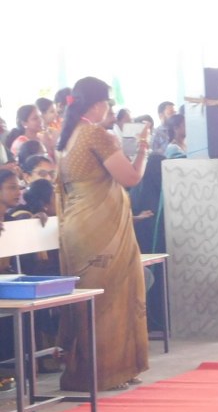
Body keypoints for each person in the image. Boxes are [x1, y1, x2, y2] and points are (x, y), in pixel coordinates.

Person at [54, 76, 150, 391]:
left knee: (89, 300)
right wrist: (143, 149)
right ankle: (108, 371)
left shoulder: (67, 136)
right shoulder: (96, 134)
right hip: (100, 227)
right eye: (108, 102)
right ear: (97, 104)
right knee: (111, 297)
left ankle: (93, 369)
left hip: (78, 226)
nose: (109, 108)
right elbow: (131, 177)